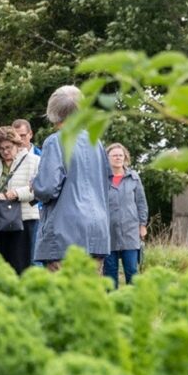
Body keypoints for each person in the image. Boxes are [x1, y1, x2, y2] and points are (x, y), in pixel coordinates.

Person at [32, 85, 110, 271]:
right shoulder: (96, 142)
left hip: (65, 230)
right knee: (89, 293)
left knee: (63, 295)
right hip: (97, 231)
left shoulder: (55, 141)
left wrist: (34, 185)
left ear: (53, 110)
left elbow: (47, 188)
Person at [0, 127, 41, 274]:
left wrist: (17, 193)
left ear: (17, 144)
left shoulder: (34, 161)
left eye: (8, 147)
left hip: (23, 221)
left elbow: (39, 189)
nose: (5, 151)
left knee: (19, 265)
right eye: (1, 148)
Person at [104, 143, 148, 288]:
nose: (118, 158)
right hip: (108, 233)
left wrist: (142, 225)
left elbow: (141, 203)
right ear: (107, 158)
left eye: (120, 155)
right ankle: (111, 305)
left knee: (132, 271)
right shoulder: (102, 179)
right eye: (114, 155)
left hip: (130, 232)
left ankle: (133, 305)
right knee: (110, 273)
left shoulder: (134, 178)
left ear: (125, 157)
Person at [12, 117, 42, 265]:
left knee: (36, 255)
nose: (19, 139)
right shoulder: (9, 156)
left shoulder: (41, 155)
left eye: (23, 135)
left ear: (30, 134)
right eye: (16, 135)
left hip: (38, 210)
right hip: (14, 212)